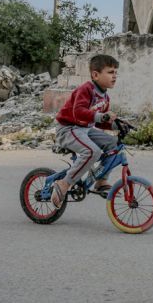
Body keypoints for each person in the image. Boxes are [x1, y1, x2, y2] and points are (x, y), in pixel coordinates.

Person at [51, 54, 120, 209]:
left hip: (85, 129)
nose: (114, 76)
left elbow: (100, 122)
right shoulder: (86, 89)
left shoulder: (105, 97)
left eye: (116, 72)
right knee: (92, 151)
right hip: (68, 128)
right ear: (95, 75)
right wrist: (102, 116)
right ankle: (64, 183)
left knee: (113, 143)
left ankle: (101, 181)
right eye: (110, 72)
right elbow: (78, 112)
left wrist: (116, 125)